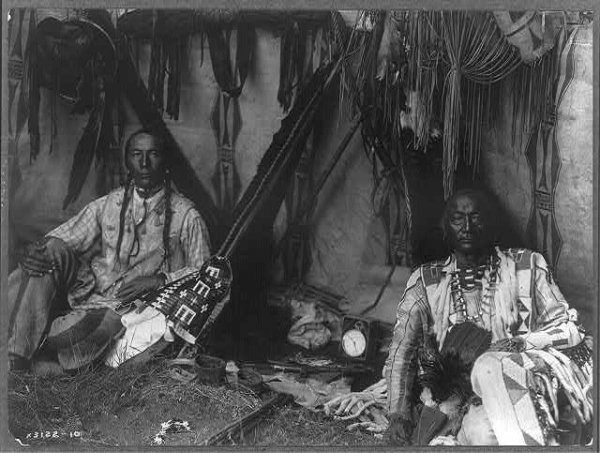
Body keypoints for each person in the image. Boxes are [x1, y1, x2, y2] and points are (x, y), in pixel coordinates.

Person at [384, 188, 592, 446]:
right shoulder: (426, 281)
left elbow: (569, 330)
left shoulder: (528, 266)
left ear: (493, 225)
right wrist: (398, 415)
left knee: (490, 427)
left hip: (522, 389)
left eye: (476, 216)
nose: (467, 227)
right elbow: (401, 353)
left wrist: (523, 343)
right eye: (458, 218)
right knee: (480, 432)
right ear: (445, 228)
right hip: (457, 400)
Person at [8, 128, 211, 372]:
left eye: (153, 154)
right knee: (50, 251)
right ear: (127, 160)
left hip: (128, 309)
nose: (144, 163)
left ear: (164, 160)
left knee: (73, 335)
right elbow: (64, 237)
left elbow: (207, 276)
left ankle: (41, 353)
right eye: (137, 154)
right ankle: (15, 354)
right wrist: (33, 251)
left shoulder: (187, 216)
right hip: (90, 293)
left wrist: (160, 280)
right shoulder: (111, 203)